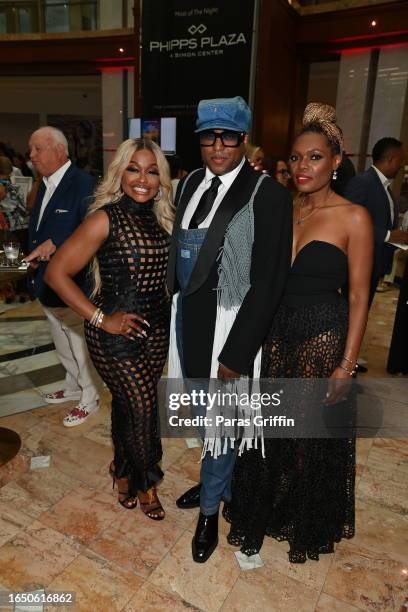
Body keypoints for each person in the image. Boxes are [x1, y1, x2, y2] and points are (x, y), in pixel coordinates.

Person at [223, 103, 373, 563]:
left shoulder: (354, 218)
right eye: (297, 157)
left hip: (321, 337)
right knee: (270, 428)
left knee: (307, 437)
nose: (303, 166)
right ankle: (265, 512)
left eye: (315, 157)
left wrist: (346, 365)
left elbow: (359, 298)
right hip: (277, 333)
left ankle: (305, 521)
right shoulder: (282, 208)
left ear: (335, 161)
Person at [167, 96, 292, 562]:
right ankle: (214, 478)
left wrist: (237, 353)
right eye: (208, 135)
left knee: (223, 421)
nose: (217, 146)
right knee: (203, 415)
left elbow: (269, 282)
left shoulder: (269, 195)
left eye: (229, 136)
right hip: (188, 321)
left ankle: (208, 512)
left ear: (244, 139)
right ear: (199, 138)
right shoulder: (190, 184)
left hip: (229, 325)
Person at [45, 138, 173, 518]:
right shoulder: (105, 218)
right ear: (119, 173)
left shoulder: (163, 217)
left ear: (161, 179)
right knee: (144, 408)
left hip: (155, 331)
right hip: (114, 334)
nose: (143, 179)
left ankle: (121, 471)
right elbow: (57, 274)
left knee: (129, 406)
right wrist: (101, 319)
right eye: (134, 168)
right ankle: (146, 482)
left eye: (152, 171)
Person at [25, 126, 100, 426]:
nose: (31, 156)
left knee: (78, 342)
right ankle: (73, 386)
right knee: (61, 340)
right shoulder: (43, 184)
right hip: (44, 280)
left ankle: (90, 396)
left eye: (37, 149)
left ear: (59, 149)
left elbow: (92, 231)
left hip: (72, 283)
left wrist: (57, 244)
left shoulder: (83, 184)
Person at [344, 137, 408, 305]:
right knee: (351, 316)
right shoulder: (363, 182)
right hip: (359, 265)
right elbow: (347, 221)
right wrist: (388, 235)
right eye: (400, 161)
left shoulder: (385, 186)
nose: (402, 166)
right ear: (391, 159)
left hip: (374, 265)